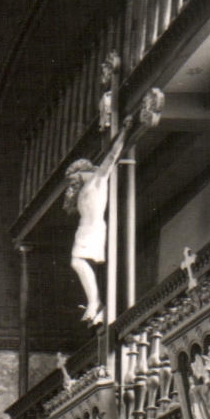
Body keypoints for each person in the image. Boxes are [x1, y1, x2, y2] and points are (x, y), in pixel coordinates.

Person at [62, 124, 131, 325]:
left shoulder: (97, 180)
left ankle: (96, 303)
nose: (71, 182)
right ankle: (95, 303)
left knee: (77, 262)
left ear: (80, 171)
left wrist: (124, 131)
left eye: (72, 177)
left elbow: (111, 157)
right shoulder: (83, 187)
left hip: (92, 229)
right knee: (77, 262)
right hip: (84, 230)